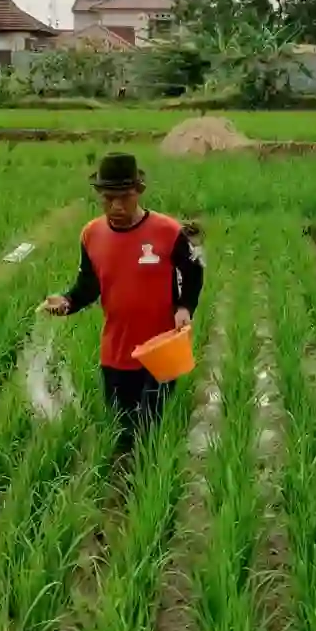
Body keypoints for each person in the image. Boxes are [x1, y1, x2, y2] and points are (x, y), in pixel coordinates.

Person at [43, 152, 204, 455]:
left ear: (139, 192)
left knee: (150, 429)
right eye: (108, 198)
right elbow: (88, 287)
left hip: (161, 349)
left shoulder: (168, 232)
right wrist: (67, 301)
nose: (116, 206)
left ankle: (150, 488)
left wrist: (184, 307)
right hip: (116, 351)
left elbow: (194, 271)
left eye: (125, 197)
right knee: (121, 428)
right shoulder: (91, 235)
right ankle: (121, 488)